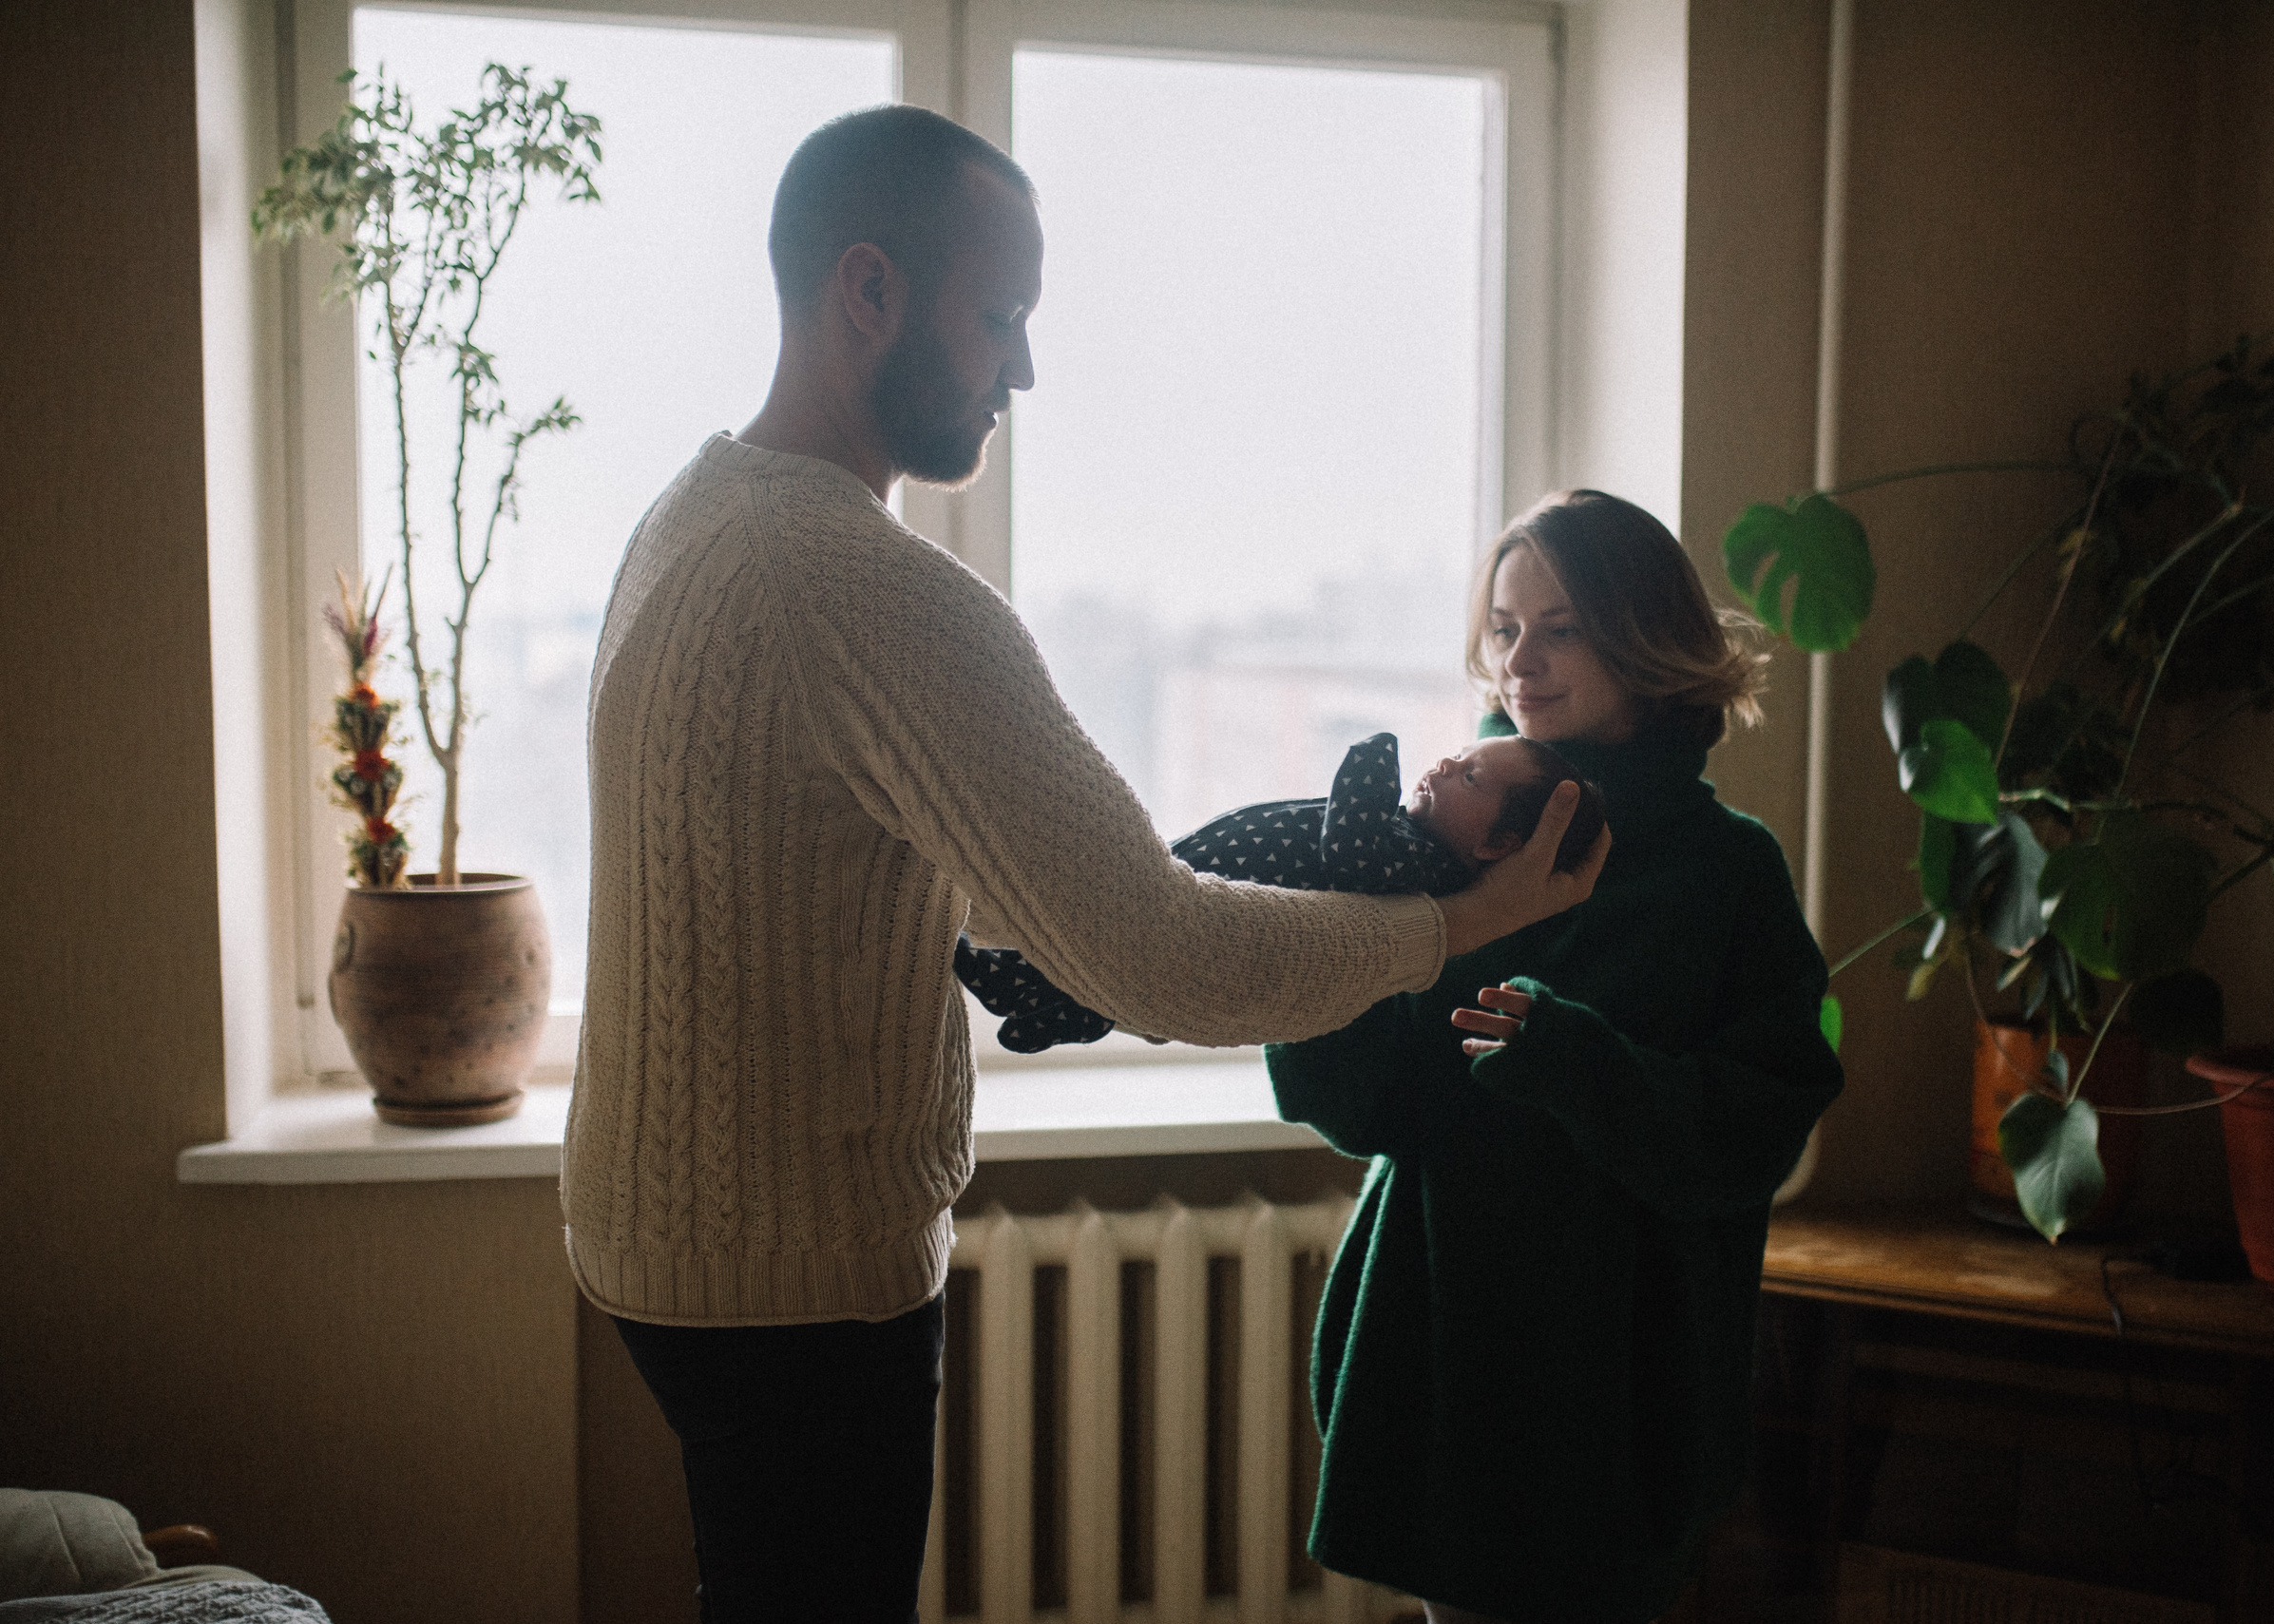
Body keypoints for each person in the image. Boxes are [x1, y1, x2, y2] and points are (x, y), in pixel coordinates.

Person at [563, 105, 1608, 1623]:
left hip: (666, 1236)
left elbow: (875, 851)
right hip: (792, 1276)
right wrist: (1451, 924)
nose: (1025, 372)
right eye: (1003, 318)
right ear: (870, 293)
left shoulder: (696, 513)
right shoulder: (874, 591)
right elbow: (1162, 957)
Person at [1267, 489, 1844, 1624]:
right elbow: (1359, 1102)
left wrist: (1581, 1064)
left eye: (1558, 626)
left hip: (1624, 1379)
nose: (1517, 661)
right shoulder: (1458, 836)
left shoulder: (1727, 873)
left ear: (1640, 633)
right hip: (1445, 1356)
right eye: (1501, 625)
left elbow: (1763, 1121)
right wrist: (1318, 947)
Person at [961, 732, 1611, 1051]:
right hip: (1189, 877)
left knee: (1096, 936)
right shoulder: (1416, 852)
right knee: (1095, 951)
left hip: (1198, 899)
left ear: (1497, 847)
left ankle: (1027, 990)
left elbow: (1347, 850)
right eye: (1459, 753)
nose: (1443, 764)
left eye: (1470, 776)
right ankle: (1047, 1006)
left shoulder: (1420, 866)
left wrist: (1372, 755)